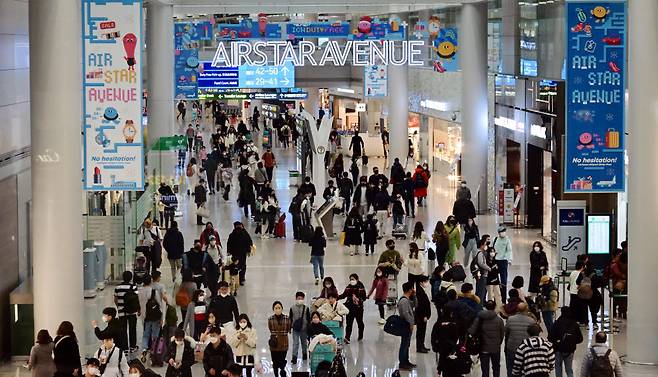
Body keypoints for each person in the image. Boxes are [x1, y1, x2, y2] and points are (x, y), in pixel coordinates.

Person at [469, 300, 505, 377]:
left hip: (483, 347)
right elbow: (502, 334)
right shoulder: (499, 320)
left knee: (485, 369)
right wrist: (498, 343)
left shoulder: (479, 318)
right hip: (495, 348)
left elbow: (471, 331)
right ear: (494, 307)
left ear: (485, 307)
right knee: (496, 367)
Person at [548, 307, 583, 377]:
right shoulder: (574, 323)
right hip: (570, 349)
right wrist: (572, 341)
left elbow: (550, 337)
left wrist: (556, 341)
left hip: (558, 349)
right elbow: (580, 339)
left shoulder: (557, 323)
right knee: (569, 369)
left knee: (558, 368)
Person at [504, 303, 538, 377]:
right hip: (525, 348)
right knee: (524, 368)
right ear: (526, 309)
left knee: (510, 367)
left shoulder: (510, 319)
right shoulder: (531, 321)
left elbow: (506, 332)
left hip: (512, 347)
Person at [114, 270, 139, 353]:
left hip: (122, 312)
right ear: (131, 278)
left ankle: (125, 348)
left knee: (123, 330)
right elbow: (136, 299)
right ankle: (132, 346)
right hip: (132, 312)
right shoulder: (134, 287)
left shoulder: (117, 288)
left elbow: (115, 299)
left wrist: (119, 307)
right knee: (132, 329)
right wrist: (138, 309)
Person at [339, 274, 367, 344]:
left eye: (353, 279)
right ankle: (347, 337)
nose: (352, 281)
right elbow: (343, 295)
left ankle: (360, 335)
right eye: (351, 279)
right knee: (349, 323)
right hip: (350, 308)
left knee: (360, 322)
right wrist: (335, 297)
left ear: (357, 279)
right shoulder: (348, 288)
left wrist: (358, 300)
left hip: (358, 308)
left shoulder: (361, 288)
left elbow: (364, 298)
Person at [268, 301, 292, 377]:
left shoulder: (287, 318)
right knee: (274, 362)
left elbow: (289, 329)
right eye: (276, 308)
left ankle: (282, 371)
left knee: (282, 360)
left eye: (279, 308)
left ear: (282, 309)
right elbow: (270, 329)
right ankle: (276, 375)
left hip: (284, 343)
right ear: (273, 309)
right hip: (274, 344)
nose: (278, 309)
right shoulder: (270, 319)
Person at [397, 282, 416, 370]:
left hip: (408, 325)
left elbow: (415, 305)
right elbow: (405, 314)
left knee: (407, 344)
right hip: (406, 325)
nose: (413, 290)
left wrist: (414, 296)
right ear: (409, 289)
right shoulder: (404, 301)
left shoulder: (407, 299)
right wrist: (410, 323)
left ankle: (406, 361)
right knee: (404, 345)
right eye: (412, 289)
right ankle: (402, 363)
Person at [492, 226, 513, 302]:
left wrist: (509, 259)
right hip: (495, 262)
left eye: (504, 231)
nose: (503, 233)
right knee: (494, 280)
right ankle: (496, 298)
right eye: (501, 232)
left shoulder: (507, 240)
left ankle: (503, 299)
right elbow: (492, 249)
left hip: (503, 261)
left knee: (503, 280)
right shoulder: (495, 239)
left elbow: (509, 250)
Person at [289, 292, 311, 363]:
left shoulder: (306, 308)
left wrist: (308, 328)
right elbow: (290, 318)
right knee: (295, 343)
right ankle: (294, 357)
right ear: (296, 298)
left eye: (301, 299)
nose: (300, 300)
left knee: (304, 343)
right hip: (295, 329)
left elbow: (308, 318)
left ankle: (304, 355)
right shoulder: (292, 308)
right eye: (298, 298)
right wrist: (289, 328)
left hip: (304, 329)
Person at [415, 275, 432, 353]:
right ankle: (420, 347)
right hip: (421, 316)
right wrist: (424, 316)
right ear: (421, 282)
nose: (427, 283)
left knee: (422, 331)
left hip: (422, 315)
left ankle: (422, 345)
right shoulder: (419, 292)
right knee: (421, 331)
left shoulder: (420, 290)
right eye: (425, 281)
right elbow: (421, 306)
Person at [568, 261, 588, 326]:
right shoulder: (581, 273)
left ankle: (574, 320)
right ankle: (582, 321)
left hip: (572, 292)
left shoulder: (572, 273)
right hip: (579, 293)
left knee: (573, 307)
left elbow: (570, 282)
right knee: (581, 308)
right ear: (582, 267)